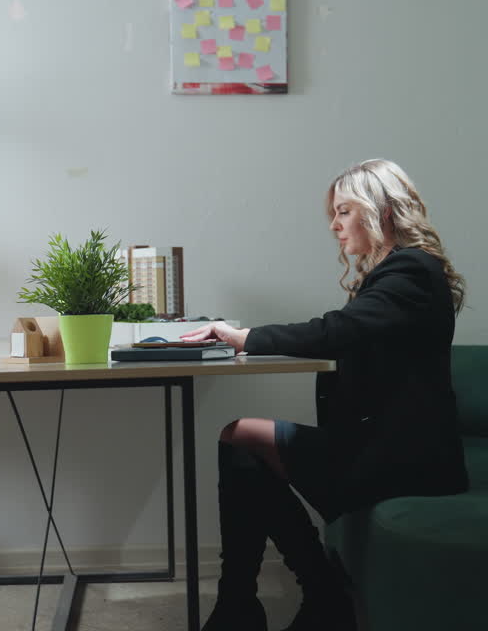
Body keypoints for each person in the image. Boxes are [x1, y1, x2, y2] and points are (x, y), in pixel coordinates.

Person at [179, 158, 469, 631]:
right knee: (242, 445)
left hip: (406, 456)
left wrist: (242, 336)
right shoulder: (397, 272)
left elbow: (336, 331)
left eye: (345, 211)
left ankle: (279, 599)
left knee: (240, 437)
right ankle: (276, 599)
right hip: (386, 443)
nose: (334, 225)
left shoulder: (411, 271)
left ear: (382, 211)